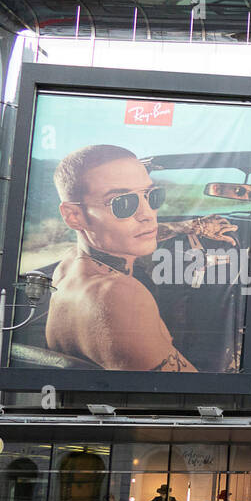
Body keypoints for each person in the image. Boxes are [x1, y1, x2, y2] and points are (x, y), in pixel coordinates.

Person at [44, 144, 239, 372]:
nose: (147, 214)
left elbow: (131, 232)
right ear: (74, 216)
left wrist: (192, 226)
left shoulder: (70, 265)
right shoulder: (116, 297)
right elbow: (189, 395)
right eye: (123, 203)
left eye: (151, 196)